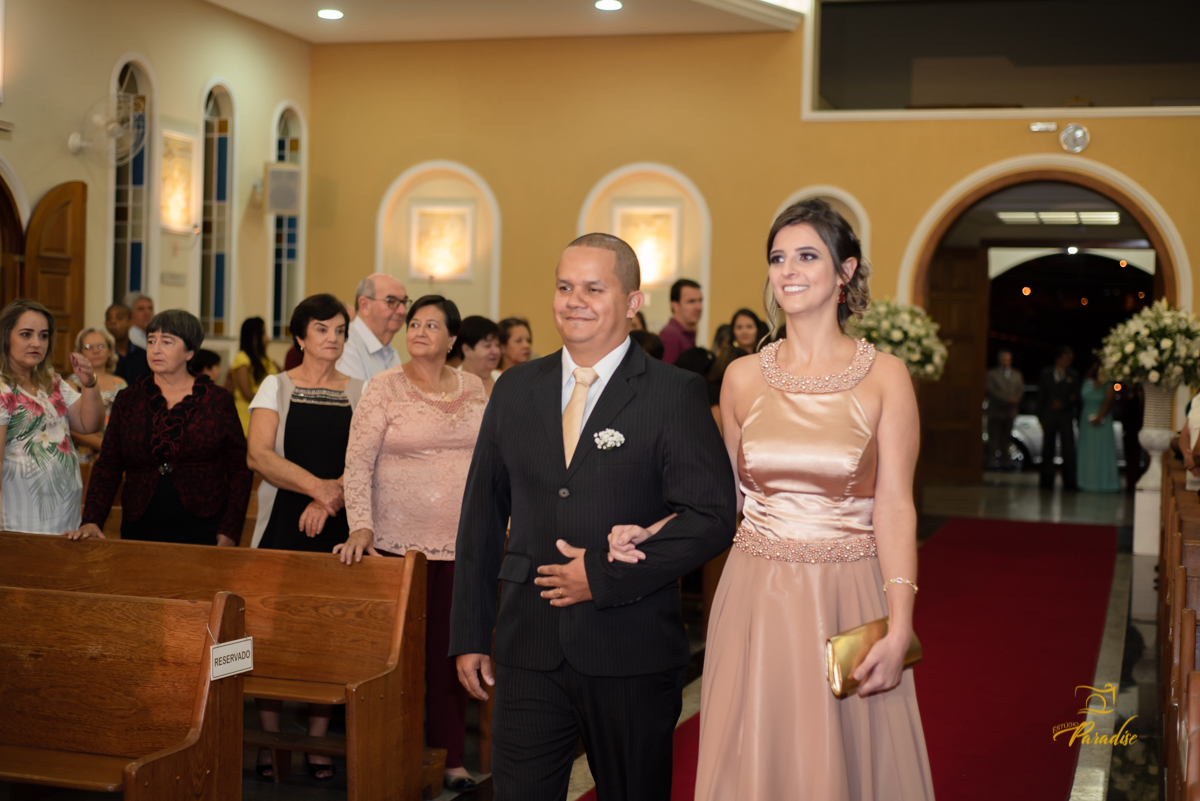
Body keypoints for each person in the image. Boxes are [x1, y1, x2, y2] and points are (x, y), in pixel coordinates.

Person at [620, 199, 933, 799]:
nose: (788, 270)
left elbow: (895, 507)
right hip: (755, 594)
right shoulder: (742, 377)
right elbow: (723, 500)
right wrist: (653, 531)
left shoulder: (886, 376)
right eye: (778, 257)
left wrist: (901, 626)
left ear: (845, 271)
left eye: (807, 256)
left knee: (842, 759)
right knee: (756, 752)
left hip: (847, 592)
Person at [448, 233, 736, 801]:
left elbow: (711, 517)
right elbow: (481, 515)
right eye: (564, 287)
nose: (574, 301)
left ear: (632, 302)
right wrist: (470, 633)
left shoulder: (673, 393)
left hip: (628, 646)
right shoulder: (515, 388)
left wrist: (602, 575)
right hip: (528, 645)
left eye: (593, 288)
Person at [340, 295, 487, 793]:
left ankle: (450, 758)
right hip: (396, 547)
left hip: (461, 546)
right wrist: (361, 525)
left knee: (452, 655)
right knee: (399, 661)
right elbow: (357, 463)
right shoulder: (383, 387)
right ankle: (395, 754)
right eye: (415, 323)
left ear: (452, 339)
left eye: (432, 325)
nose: (420, 331)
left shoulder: (474, 387)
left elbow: (492, 461)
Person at [246, 294, 363, 781]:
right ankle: (269, 742)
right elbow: (259, 455)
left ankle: (317, 743)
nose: (332, 338)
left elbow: (365, 460)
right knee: (269, 634)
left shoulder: (361, 390)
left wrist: (329, 501)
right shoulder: (275, 385)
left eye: (340, 330)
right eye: (321, 329)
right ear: (300, 336)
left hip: (338, 530)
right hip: (281, 524)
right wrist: (318, 488)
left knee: (327, 636)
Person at [65, 310, 252, 546]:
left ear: (190, 352)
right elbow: (109, 464)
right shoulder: (129, 398)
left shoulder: (217, 400)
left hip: (204, 526)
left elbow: (239, 469)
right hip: (141, 524)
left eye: (167, 342)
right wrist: (92, 520)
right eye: (151, 341)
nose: (156, 349)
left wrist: (230, 530)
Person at [0, 300, 103, 534]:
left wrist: (89, 383)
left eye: (43, 335)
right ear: (5, 337)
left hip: (64, 511)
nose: (37, 343)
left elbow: (89, 424)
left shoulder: (51, 381)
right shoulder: (3, 387)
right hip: (19, 516)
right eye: (26, 334)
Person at [67, 327, 128, 464]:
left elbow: (130, 422)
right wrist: (107, 447)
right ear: (80, 352)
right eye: (89, 347)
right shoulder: (71, 384)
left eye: (101, 346)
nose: (96, 351)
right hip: (83, 459)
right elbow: (70, 426)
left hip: (117, 458)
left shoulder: (120, 383)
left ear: (110, 350)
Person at [336, 274, 408, 381]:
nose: (402, 311)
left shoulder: (389, 350)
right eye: (391, 301)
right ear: (364, 305)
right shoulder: (346, 345)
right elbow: (357, 392)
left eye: (404, 302)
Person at [1037, 345, 1080, 489]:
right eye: (1065, 358)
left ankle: (1069, 481)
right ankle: (1046, 480)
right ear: (1058, 359)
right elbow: (1040, 397)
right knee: (1047, 448)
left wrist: (1063, 404)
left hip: (1065, 416)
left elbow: (1075, 397)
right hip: (1049, 415)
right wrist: (1041, 417)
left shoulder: (1073, 375)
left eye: (1070, 359)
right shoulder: (1046, 374)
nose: (1068, 361)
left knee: (1068, 449)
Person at [1077, 357, 1119, 492]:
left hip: (1102, 420)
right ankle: (1087, 481)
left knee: (1102, 450)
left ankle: (1105, 481)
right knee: (1088, 451)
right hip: (1086, 420)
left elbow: (1109, 400)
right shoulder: (1086, 381)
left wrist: (1100, 416)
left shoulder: (1107, 383)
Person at [231, 317, 279, 436]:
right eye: (263, 333)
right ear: (254, 337)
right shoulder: (242, 358)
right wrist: (272, 398)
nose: (267, 337)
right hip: (247, 417)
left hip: (266, 414)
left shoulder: (265, 358)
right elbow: (247, 394)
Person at [985, 349, 1024, 470]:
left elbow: (1020, 390)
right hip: (996, 411)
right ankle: (991, 463)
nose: (1006, 362)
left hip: (1010, 412)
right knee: (993, 439)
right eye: (1004, 359)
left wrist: (1014, 400)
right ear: (999, 360)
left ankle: (1005, 463)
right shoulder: (992, 374)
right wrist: (1005, 400)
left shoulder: (1016, 374)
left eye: (1008, 359)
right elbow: (990, 390)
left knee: (1006, 439)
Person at [452, 315, 502, 397]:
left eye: (497, 345)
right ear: (466, 349)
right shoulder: (453, 385)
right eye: (487, 346)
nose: (496, 351)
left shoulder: (502, 379)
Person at [659, 278, 703, 364]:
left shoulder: (688, 332)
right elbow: (668, 370)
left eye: (700, 301)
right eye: (691, 301)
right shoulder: (671, 335)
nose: (699, 307)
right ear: (675, 306)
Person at [106, 302, 149, 383]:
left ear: (130, 322)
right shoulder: (104, 356)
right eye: (108, 319)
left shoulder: (144, 356)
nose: (113, 322)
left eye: (119, 318)